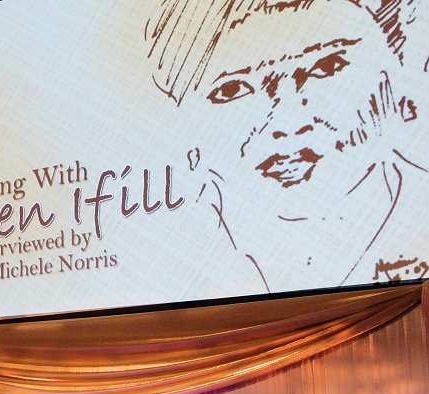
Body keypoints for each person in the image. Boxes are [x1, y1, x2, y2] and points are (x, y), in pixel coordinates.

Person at [144, 0, 428, 292]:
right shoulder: (167, 268)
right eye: (232, 89)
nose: (288, 122)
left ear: (394, 77)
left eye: (327, 66)